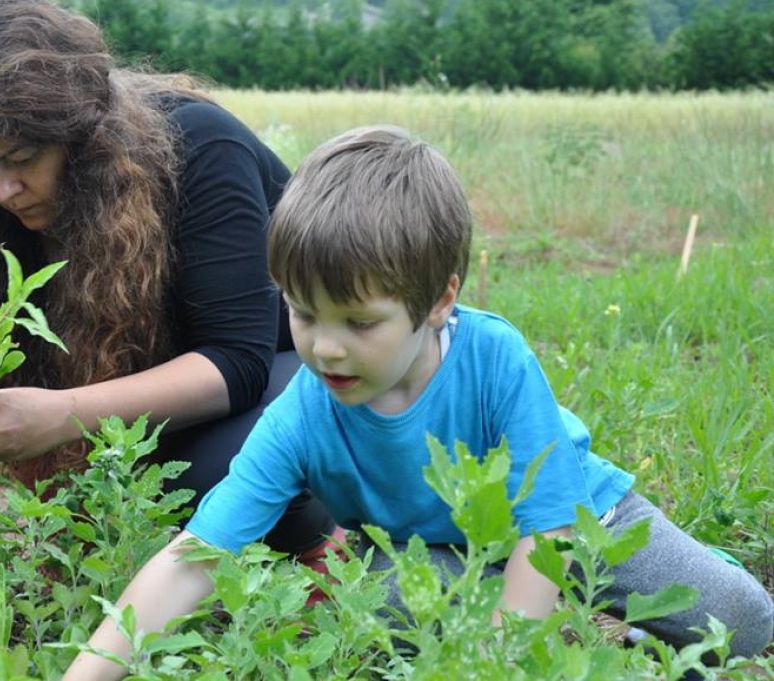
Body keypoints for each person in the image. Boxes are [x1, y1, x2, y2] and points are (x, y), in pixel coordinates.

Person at [65, 125, 774, 680]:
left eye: (359, 322)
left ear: (440, 301)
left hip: (583, 525)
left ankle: (604, 615)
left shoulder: (496, 361)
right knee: (367, 598)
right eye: (303, 315)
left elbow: (547, 532)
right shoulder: (302, 414)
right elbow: (195, 557)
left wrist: (496, 661)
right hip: (438, 554)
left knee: (744, 622)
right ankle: (586, 632)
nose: (325, 350)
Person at [0, 0, 336, 560]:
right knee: (132, 480)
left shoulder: (202, 148)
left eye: (21, 159)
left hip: (299, 379)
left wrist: (62, 417)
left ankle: (323, 543)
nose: (1, 189)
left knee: (217, 472)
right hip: (147, 413)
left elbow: (236, 363)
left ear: (80, 135)